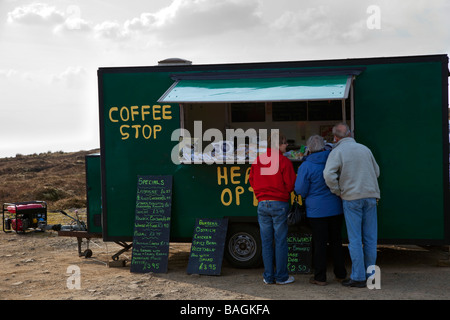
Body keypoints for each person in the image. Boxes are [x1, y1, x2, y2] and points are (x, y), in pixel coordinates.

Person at [323, 122, 380, 288]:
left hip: (351, 197)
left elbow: (328, 175)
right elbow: (377, 172)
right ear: (349, 134)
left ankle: (358, 277)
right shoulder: (365, 149)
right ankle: (372, 277)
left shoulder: (337, 151)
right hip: (370, 196)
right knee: (370, 238)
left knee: (355, 239)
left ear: (335, 137)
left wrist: (337, 190)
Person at [294, 135, 347, 286]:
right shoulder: (333, 159)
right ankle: (341, 274)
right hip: (336, 208)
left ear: (309, 149)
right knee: (337, 242)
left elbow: (300, 190)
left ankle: (320, 277)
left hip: (316, 211)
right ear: (324, 147)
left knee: (320, 243)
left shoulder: (306, 166)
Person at [249, 131, 296, 285]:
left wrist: (260, 193)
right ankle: (282, 277)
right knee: (281, 241)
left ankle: (268, 277)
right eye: (284, 143)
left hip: (262, 204)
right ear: (278, 145)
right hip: (279, 204)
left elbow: (252, 180)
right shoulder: (284, 162)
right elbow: (290, 184)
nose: (287, 145)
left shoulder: (257, 160)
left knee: (266, 241)